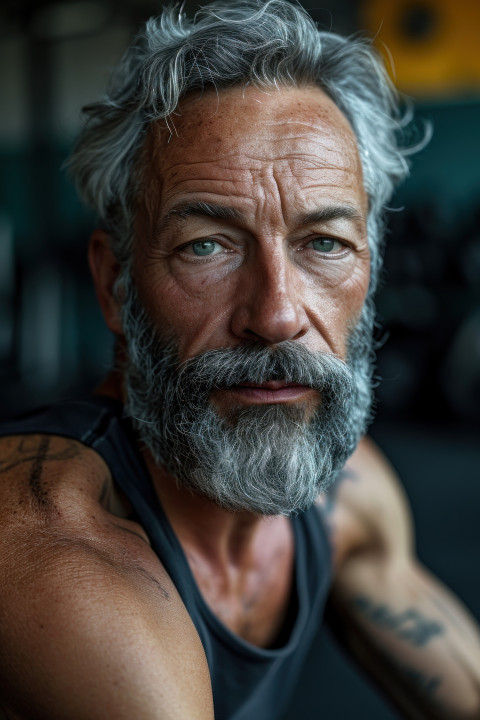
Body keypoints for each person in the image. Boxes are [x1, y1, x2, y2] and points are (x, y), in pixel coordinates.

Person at [0, 1, 479, 718]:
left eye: (324, 243)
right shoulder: (50, 558)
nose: (278, 314)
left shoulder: (346, 495)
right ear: (115, 283)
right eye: (207, 246)